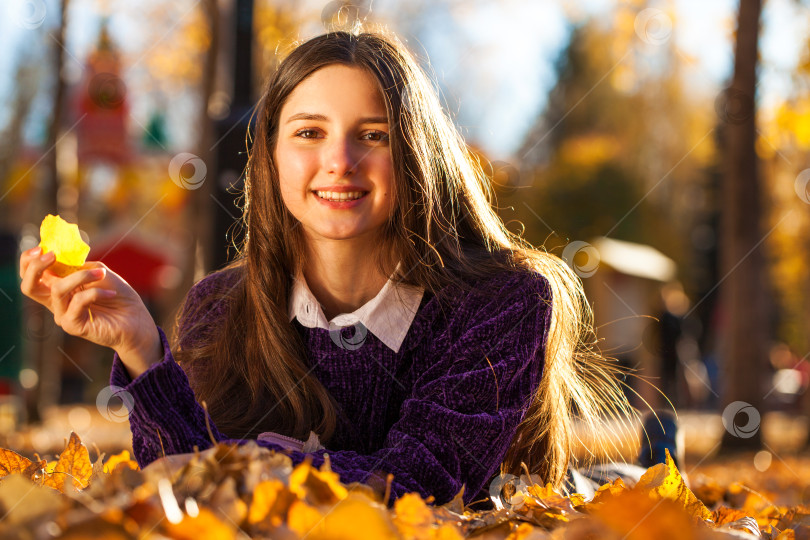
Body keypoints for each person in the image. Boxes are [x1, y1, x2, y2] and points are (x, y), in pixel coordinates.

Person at [19, 30, 634, 509]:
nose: (339, 161)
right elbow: (181, 489)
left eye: (374, 135)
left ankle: (657, 449)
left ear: (416, 155)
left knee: (616, 483)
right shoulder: (217, 307)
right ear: (270, 158)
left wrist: (246, 462)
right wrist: (142, 350)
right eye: (309, 132)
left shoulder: (508, 300)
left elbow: (420, 488)